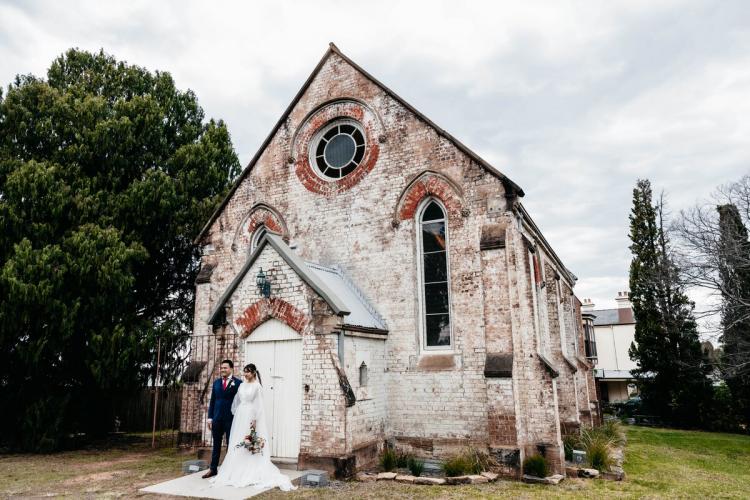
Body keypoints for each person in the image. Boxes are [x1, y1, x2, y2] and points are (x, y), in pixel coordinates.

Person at [211, 363, 296, 491]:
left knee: (249, 440)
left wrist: (255, 420)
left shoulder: (257, 386)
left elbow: (259, 406)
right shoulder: (241, 385)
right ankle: (234, 468)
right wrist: (236, 414)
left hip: (251, 415)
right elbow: (236, 402)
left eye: (248, 372)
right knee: (237, 440)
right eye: (244, 372)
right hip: (240, 415)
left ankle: (250, 468)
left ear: (254, 373)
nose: (245, 374)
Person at [202, 359, 242, 478]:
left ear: (231, 369)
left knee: (231, 445)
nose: (223, 370)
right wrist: (210, 418)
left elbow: (241, 402)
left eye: (225, 368)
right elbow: (213, 401)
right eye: (221, 368)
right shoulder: (216, 383)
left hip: (231, 419)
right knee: (216, 445)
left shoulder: (238, 383)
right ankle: (213, 469)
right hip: (217, 418)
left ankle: (231, 470)